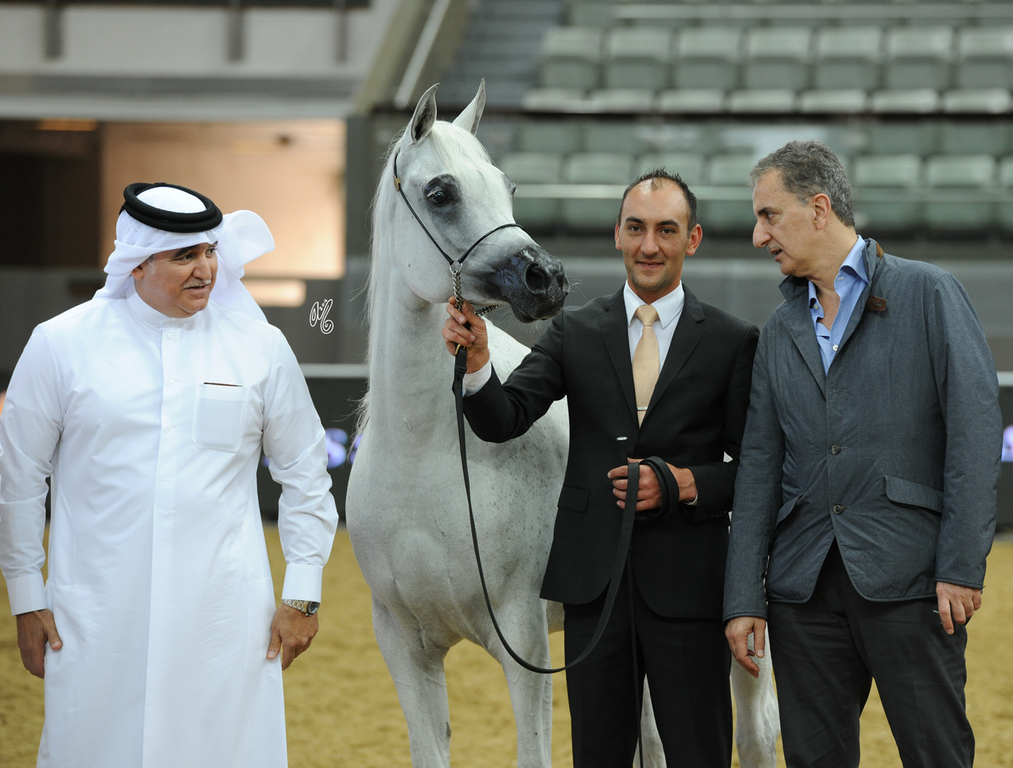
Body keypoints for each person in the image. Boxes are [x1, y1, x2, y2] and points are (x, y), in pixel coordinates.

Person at [0, 182, 339, 768]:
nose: (206, 267)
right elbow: (20, 480)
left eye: (210, 251)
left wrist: (303, 596)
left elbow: (306, 473)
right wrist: (26, 599)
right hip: (99, 614)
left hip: (226, 617)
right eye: (185, 256)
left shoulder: (260, 346)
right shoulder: (60, 344)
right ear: (137, 265)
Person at [443, 170, 759, 767]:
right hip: (592, 593)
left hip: (690, 592)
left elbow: (755, 471)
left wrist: (683, 484)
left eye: (667, 230)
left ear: (692, 240)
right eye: (636, 228)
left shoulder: (732, 341)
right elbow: (503, 418)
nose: (649, 246)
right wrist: (480, 364)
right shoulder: (574, 331)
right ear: (617, 234)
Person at [724, 141, 1002, 768]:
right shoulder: (778, 330)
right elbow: (760, 465)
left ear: (818, 208)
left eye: (769, 215)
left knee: (937, 755)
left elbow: (975, 433)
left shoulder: (930, 293)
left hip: (913, 581)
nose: (757, 234)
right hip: (802, 590)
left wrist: (960, 565)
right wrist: (744, 595)